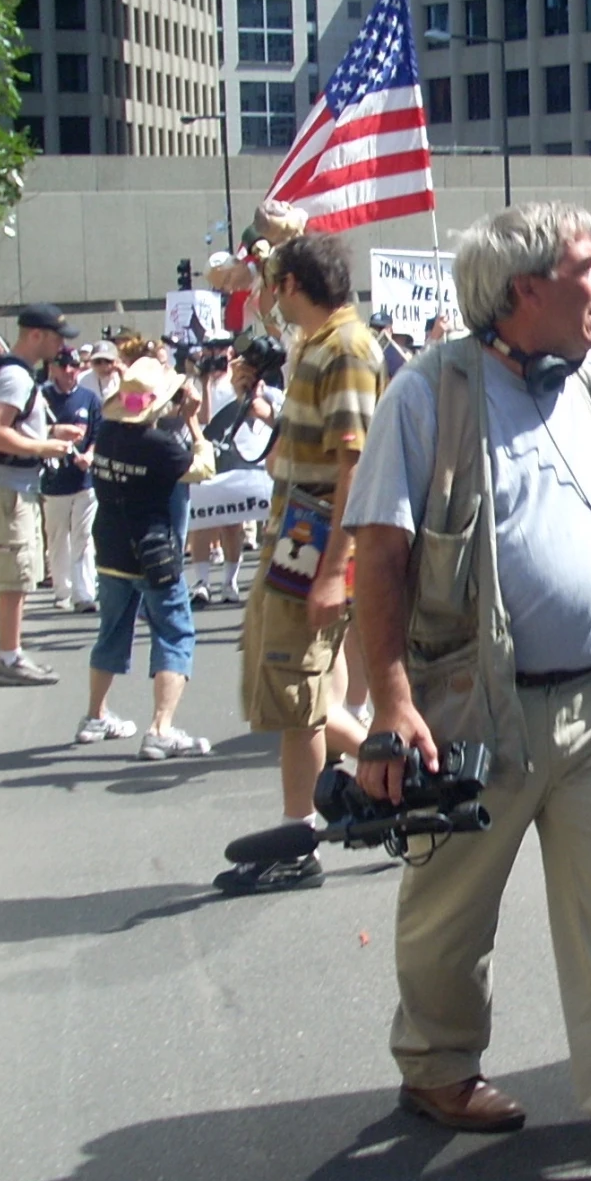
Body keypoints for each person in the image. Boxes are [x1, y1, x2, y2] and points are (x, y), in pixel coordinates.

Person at [344, 201, 591, 1181]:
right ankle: (436, 1066)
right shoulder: (429, 394)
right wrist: (389, 702)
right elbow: (380, 557)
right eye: (587, 266)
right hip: (472, 715)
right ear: (524, 289)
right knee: (448, 917)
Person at [226, 233, 382, 891]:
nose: (266, 294)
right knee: (298, 691)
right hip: (301, 533)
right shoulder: (318, 343)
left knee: (298, 695)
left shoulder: (343, 348)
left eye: (271, 283)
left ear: (292, 285)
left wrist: (330, 569)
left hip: (316, 536)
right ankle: (363, 786)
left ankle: (308, 831)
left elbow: (355, 463)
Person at [81, 355, 216, 756]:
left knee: (112, 631)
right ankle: (161, 727)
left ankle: (94, 714)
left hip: (110, 548)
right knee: (174, 633)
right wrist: (192, 423)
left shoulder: (106, 435)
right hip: (154, 550)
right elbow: (203, 468)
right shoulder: (159, 446)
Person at [0, 304, 89, 686]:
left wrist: (51, 436)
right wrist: (44, 449)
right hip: (5, 486)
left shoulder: (19, 375)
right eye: (57, 337)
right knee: (15, 574)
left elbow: (14, 428)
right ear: (35, 335)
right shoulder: (15, 377)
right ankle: (7, 658)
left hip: (16, 485)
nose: (61, 346)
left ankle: (13, 652)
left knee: (22, 574)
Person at [190, 334, 283, 606]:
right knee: (203, 523)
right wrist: (205, 382)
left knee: (233, 525)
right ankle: (201, 581)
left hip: (241, 459)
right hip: (211, 453)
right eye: (209, 349)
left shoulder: (260, 387)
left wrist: (252, 391)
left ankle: (230, 581)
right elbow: (204, 419)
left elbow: (273, 420)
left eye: (221, 349)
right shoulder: (196, 383)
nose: (215, 355)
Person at [40, 347, 102, 612]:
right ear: (52, 369)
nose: (69, 372)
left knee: (84, 536)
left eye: (74, 366)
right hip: (54, 481)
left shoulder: (89, 399)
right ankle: (62, 590)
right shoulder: (41, 399)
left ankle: (84, 592)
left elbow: (99, 434)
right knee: (57, 537)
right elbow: (30, 432)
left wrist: (90, 454)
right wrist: (54, 431)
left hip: (84, 481)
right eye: (63, 366)